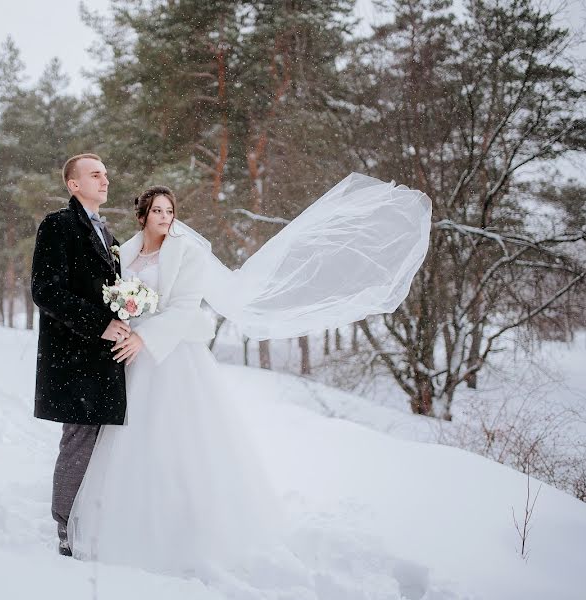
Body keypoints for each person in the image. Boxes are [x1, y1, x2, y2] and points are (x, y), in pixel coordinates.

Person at [67, 175, 433, 575]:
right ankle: (129, 524)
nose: (165, 217)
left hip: (173, 356)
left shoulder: (186, 252)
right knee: (130, 442)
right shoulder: (126, 252)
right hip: (133, 360)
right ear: (142, 216)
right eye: (157, 211)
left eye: (170, 212)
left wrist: (145, 338)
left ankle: (192, 530)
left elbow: (186, 307)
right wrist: (123, 324)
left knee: (180, 440)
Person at [30, 153, 131, 557]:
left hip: (105, 358)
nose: (105, 179)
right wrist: (100, 324)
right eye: (95, 174)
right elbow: (46, 291)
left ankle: (92, 519)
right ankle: (65, 529)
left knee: (102, 440)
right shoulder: (57, 225)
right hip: (72, 357)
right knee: (78, 439)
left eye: (106, 173)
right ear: (74, 185)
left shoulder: (111, 235)